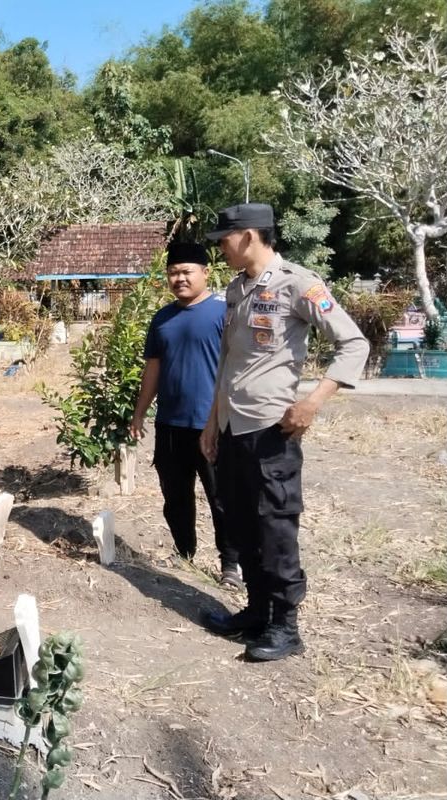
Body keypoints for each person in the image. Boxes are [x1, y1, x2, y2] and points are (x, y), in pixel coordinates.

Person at [199, 203, 368, 661]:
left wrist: (312, 402)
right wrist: (213, 423)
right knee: (240, 521)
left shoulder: (298, 283)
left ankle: (285, 625)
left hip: (272, 428)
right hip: (234, 427)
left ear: (250, 236)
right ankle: (256, 611)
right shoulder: (236, 290)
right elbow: (228, 365)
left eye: (225, 239)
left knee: (275, 525)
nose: (221, 248)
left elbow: (353, 342)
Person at [130, 242, 239, 588]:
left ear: (205, 273)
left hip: (212, 425)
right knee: (175, 496)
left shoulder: (225, 312)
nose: (179, 278)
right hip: (170, 425)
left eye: (187, 271)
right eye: (173, 272)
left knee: (222, 498)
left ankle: (231, 565)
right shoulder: (162, 318)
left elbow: (238, 368)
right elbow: (153, 371)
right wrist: (139, 414)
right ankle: (184, 552)